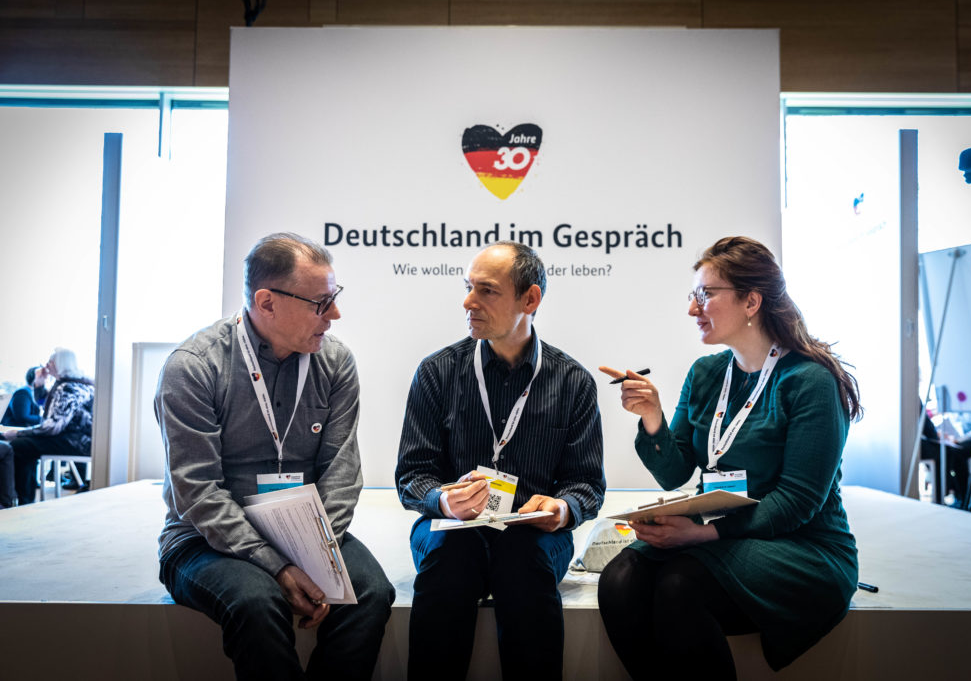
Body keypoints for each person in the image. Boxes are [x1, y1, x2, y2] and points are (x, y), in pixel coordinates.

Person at [598, 236, 861, 679]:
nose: (692, 309)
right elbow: (675, 472)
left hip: (802, 545)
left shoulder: (810, 381)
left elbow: (798, 501)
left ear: (751, 302)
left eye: (705, 295)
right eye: (692, 295)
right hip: (724, 533)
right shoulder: (707, 373)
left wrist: (701, 535)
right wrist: (652, 418)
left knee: (679, 584)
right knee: (620, 579)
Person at [155, 232, 394, 680]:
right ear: (266, 302)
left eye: (334, 298)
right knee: (257, 602)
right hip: (204, 540)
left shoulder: (335, 363)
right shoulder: (195, 367)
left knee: (372, 594)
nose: (335, 315)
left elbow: (342, 472)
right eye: (321, 303)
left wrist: (314, 553)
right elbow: (197, 491)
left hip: (310, 535)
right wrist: (276, 564)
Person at [395, 241, 605, 680]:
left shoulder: (573, 382)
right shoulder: (437, 372)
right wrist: (443, 500)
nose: (468, 302)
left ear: (530, 299)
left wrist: (560, 509)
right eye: (468, 287)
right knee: (450, 559)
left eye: (486, 291)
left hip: (533, 537)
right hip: (451, 528)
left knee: (522, 559)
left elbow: (586, 484)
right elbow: (413, 475)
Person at [1, 349, 94, 507]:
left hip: (75, 442)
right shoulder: (76, 383)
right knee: (24, 445)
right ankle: (25, 500)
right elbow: (44, 404)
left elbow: (52, 427)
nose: (46, 365)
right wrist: (39, 383)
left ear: (60, 364)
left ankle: (23, 501)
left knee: (19, 446)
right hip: (80, 441)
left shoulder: (68, 388)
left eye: (50, 361)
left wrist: (17, 433)